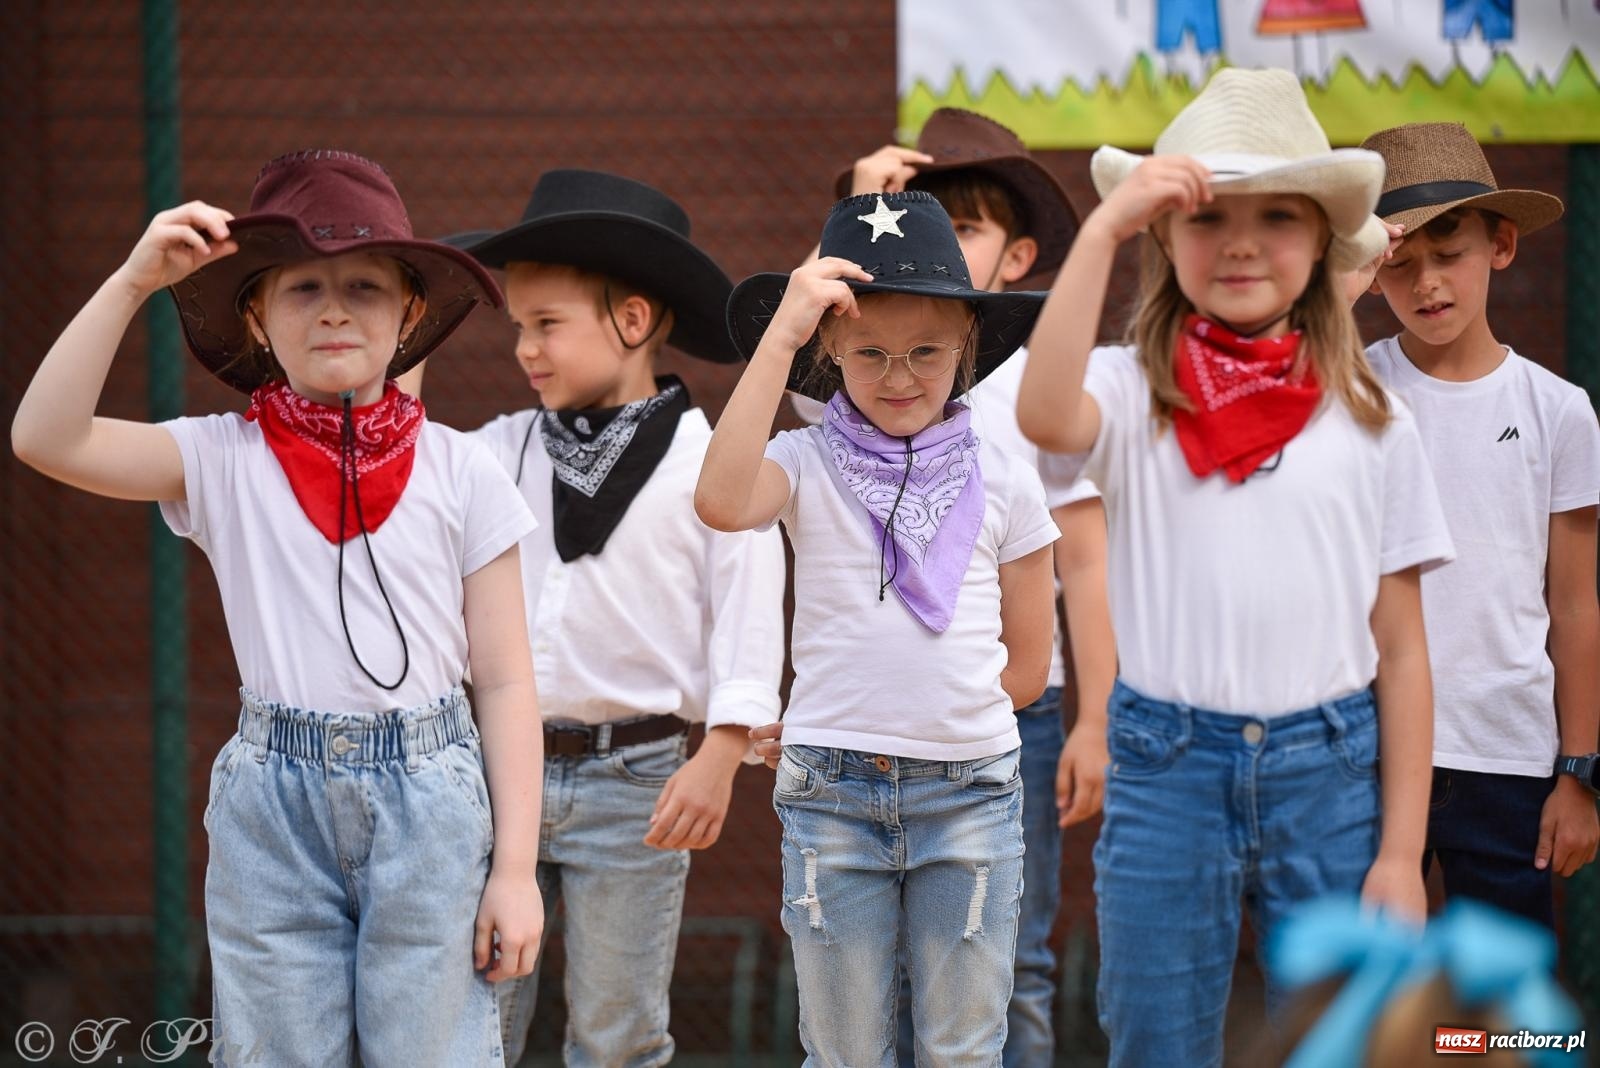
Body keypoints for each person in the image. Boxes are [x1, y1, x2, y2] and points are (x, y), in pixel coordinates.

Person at [10, 149, 543, 1066]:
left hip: (434, 804)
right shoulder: (223, 457)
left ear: (410, 311)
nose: (334, 308)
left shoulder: (466, 470)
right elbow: (45, 437)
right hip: (273, 809)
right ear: (255, 315)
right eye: (302, 288)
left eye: (365, 285)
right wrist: (133, 280)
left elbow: (502, 679)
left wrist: (517, 871)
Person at [1015, 68, 1455, 1065]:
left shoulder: (1373, 421)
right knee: (1155, 1041)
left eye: (1277, 215)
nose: (1244, 242)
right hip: (1166, 773)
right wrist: (1101, 230)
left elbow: (1405, 649)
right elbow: (1042, 417)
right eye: (1209, 215)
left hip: (1331, 777)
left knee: (1337, 1044)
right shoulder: (1127, 391)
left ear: (1322, 243)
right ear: (1166, 239)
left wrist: (1396, 852)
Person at [699, 190, 1059, 1066]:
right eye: (869, 352)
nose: (899, 376)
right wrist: (779, 334)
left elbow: (1030, 669)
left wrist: (926, 712)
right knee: (844, 1052)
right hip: (833, 799)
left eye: (926, 352)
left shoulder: (1010, 480)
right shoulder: (802, 459)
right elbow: (720, 501)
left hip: (969, 792)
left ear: (967, 347)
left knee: (962, 1050)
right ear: (829, 348)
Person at [444, 169, 786, 1067]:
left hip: (634, 782)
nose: (525, 348)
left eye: (546, 325)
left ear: (633, 321)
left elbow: (749, 606)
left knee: (617, 1033)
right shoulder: (495, 451)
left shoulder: (710, 463)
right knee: (476, 1022)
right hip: (492, 779)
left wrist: (722, 749)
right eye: (518, 326)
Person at [799, 106, 1113, 1066]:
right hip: (868, 735)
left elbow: (1083, 555)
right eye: (908, 214)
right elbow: (804, 354)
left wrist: (1092, 717)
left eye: (962, 225)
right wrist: (858, 215)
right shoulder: (865, 386)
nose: (926, 235)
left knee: (1007, 963)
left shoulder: (1042, 383)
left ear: (1017, 258)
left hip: (1013, 711)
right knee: (874, 982)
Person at [1358, 121, 1600, 929]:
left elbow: (1573, 607)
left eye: (1448, 251)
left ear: (1501, 245)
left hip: (1507, 753)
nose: (1427, 282)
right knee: (1359, 1004)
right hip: (1365, 744)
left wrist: (1579, 771)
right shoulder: (1347, 390)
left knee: (1495, 1029)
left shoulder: (1561, 412)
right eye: (1400, 259)